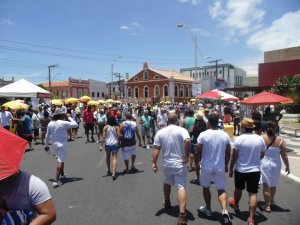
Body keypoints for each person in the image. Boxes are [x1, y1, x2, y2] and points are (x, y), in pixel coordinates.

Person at [152, 113, 190, 225]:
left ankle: (167, 201)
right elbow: (187, 141)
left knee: (167, 182)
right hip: (180, 163)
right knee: (181, 186)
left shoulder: (161, 132)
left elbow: (156, 148)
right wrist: (186, 156)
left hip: (168, 164)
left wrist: (154, 162)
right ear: (177, 120)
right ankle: (182, 215)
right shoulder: (182, 130)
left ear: (167, 120)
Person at [195, 114, 231, 224]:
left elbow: (198, 150)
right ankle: (224, 210)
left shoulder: (203, 134)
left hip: (206, 165)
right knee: (221, 189)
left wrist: (197, 162)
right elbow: (228, 152)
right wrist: (226, 164)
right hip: (219, 165)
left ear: (208, 123)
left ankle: (208, 209)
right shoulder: (225, 135)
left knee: (206, 187)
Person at [228, 118, 265, 225]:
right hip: (255, 170)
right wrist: (255, 161)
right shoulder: (259, 139)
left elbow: (234, 156)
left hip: (241, 169)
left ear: (243, 127)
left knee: (238, 188)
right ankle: (251, 218)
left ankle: (236, 204)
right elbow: (262, 154)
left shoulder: (239, 139)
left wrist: (230, 169)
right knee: (253, 194)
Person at [260, 121, 290, 212]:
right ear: (276, 129)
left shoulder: (262, 138)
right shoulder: (280, 140)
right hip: (276, 163)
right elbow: (284, 155)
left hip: (264, 163)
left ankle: (267, 205)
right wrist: (287, 166)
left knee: (266, 185)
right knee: (273, 184)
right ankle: (272, 201)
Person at [44, 108, 78, 187]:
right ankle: (56, 180)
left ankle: (62, 173)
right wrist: (68, 117)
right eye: (63, 114)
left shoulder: (50, 123)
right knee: (60, 161)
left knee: (60, 159)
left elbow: (47, 136)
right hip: (62, 144)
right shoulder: (63, 122)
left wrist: (46, 145)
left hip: (54, 145)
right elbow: (75, 124)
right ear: (62, 115)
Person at [189, 112, 207, 184]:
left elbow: (190, 132)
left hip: (195, 143)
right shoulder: (204, 124)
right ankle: (205, 176)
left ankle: (199, 178)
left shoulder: (195, 124)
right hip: (203, 144)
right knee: (203, 161)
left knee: (196, 163)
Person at [101, 116, 120, 180]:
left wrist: (101, 145)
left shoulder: (105, 127)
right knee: (114, 158)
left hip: (108, 144)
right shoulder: (117, 127)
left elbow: (103, 137)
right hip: (115, 144)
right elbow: (119, 135)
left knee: (108, 157)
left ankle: (109, 170)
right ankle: (114, 173)